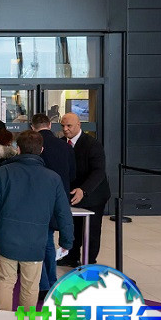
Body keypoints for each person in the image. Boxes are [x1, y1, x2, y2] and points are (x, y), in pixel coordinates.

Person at [0, 130, 74, 311]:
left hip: (6, 238)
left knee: (6, 281)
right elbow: (64, 213)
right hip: (35, 242)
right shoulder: (53, 178)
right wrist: (66, 241)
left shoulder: (3, 172)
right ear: (41, 150)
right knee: (30, 286)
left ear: (18, 149)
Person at [30, 113, 76, 297]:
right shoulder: (65, 146)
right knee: (48, 240)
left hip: (38, 201)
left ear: (32, 127)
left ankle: (44, 284)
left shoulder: (34, 146)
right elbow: (72, 174)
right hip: (59, 199)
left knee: (40, 242)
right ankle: (51, 282)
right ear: (50, 125)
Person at [58, 112, 111, 267]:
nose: (65, 129)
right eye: (63, 126)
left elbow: (99, 171)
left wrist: (83, 190)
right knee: (72, 227)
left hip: (93, 194)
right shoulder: (61, 143)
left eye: (69, 126)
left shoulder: (92, 144)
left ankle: (89, 261)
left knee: (92, 230)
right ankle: (71, 257)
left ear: (78, 125)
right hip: (71, 193)